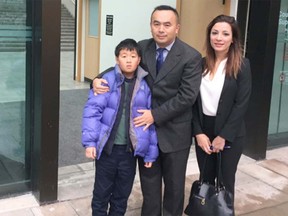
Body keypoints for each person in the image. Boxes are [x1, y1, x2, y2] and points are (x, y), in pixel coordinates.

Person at [92, 5, 202, 216]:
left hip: (175, 133)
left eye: (167, 25)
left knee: (174, 188)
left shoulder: (191, 56)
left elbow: (187, 97)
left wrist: (155, 115)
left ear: (177, 28)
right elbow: (121, 66)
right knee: (149, 189)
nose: (161, 29)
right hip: (145, 134)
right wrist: (96, 80)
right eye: (156, 24)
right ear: (151, 26)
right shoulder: (142, 47)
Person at [81, 38, 159, 216]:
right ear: (117, 59)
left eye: (133, 56)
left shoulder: (145, 86)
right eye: (124, 56)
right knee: (101, 194)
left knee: (121, 196)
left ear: (139, 59)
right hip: (107, 150)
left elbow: (149, 122)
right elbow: (92, 113)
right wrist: (90, 143)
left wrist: (150, 152)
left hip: (129, 153)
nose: (129, 60)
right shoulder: (105, 82)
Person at [186, 14, 252, 214]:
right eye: (215, 33)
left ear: (233, 39)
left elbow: (242, 103)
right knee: (206, 180)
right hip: (204, 130)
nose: (219, 38)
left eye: (225, 33)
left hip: (230, 133)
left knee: (225, 183)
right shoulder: (200, 64)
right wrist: (198, 133)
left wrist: (223, 136)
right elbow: (192, 102)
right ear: (209, 36)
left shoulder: (242, 65)